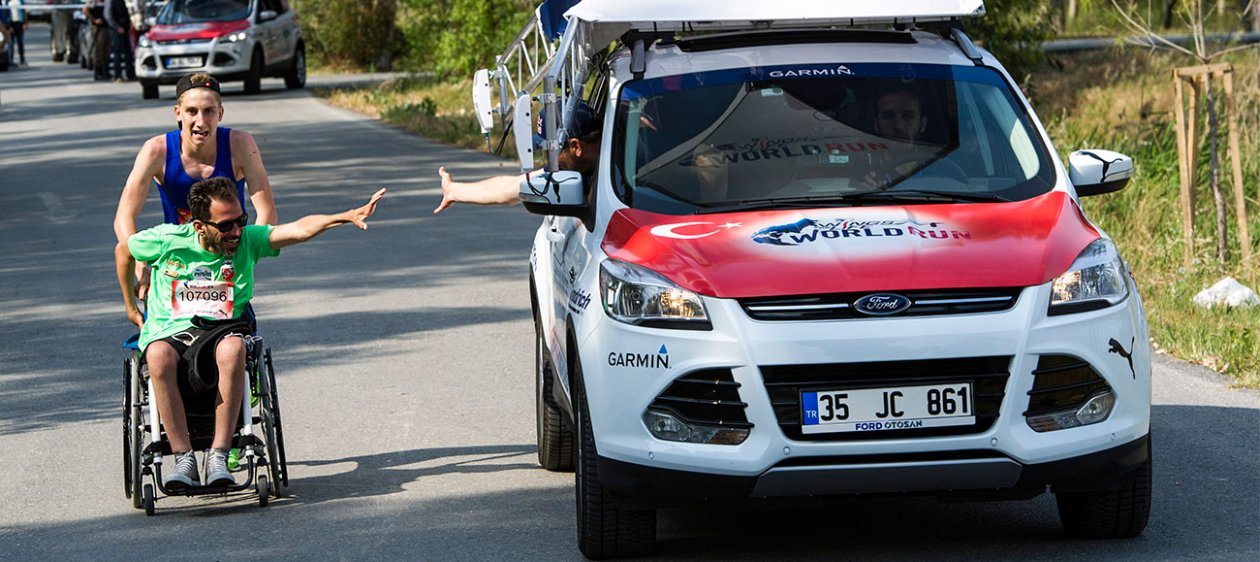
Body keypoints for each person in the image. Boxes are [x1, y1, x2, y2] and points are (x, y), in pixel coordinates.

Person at [115, 177, 386, 489]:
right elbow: (124, 250)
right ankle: (183, 458)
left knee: (233, 350)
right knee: (158, 356)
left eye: (240, 221)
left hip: (223, 328)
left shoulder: (247, 241)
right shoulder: (167, 240)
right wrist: (130, 305)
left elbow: (297, 230)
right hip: (170, 329)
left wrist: (343, 217)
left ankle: (219, 455)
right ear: (199, 226)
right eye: (226, 225)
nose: (235, 232)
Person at [115, 73, 279, 300]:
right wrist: (142, 269)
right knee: (163, 335)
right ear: (178, 113)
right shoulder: (156, 150)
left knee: (235, 334)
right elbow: (124, 217)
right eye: (192, 111)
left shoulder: (240, 144)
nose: (201, 121)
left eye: (209, 111)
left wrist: (244, 260)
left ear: (220, 113)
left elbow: (267, 212)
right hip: (175, 264)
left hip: (226, 262)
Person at [433, 102, 601, 213]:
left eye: (550, 150)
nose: (550, 159)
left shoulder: (620, 175)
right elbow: (510, 188)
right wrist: (453, 190)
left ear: (575, 147)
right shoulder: (573, 168)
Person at [104, 0, 133, 82]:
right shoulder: (110, 1)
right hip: (116, 30)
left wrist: (129, 23)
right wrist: (116, 27)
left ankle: (130, 74)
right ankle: (118, 75)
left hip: (125, 29)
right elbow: (108, 16)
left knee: (128, 53)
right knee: (118, 54)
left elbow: (125, 13)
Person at [84, 0, 109, 81]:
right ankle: (98, 72)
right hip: (98, 28)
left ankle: (105, 71)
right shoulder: (94, 1)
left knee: (106, 50)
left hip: (107, 26)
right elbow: (85, 10)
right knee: (99, 49)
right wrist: (94, 20)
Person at [5, 0, 25, 67]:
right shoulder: (8, 2)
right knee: (11, 44)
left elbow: (24, 11)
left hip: (19, 23)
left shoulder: (20, 1)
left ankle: (22, 60)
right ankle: (11, 60)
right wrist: (9, 26)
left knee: (20, 43)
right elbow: (6, 13)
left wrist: (25, 22)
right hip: (12, 24)